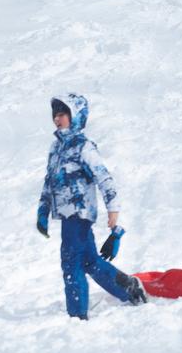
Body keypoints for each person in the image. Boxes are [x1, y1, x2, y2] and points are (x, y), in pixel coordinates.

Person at [36, 94, 148, 320]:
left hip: (80, 213)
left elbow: (104, 178)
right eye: (55, 115)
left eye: (63, 114)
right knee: (89, 262)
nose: (57, 119)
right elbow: (50, 181)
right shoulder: (55, 148)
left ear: (75, 116)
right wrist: (43, 210)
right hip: (67, 215)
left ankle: (77, 316)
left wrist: (113, 211)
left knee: (71, 263)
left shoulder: (83, 147)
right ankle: (129, 288)